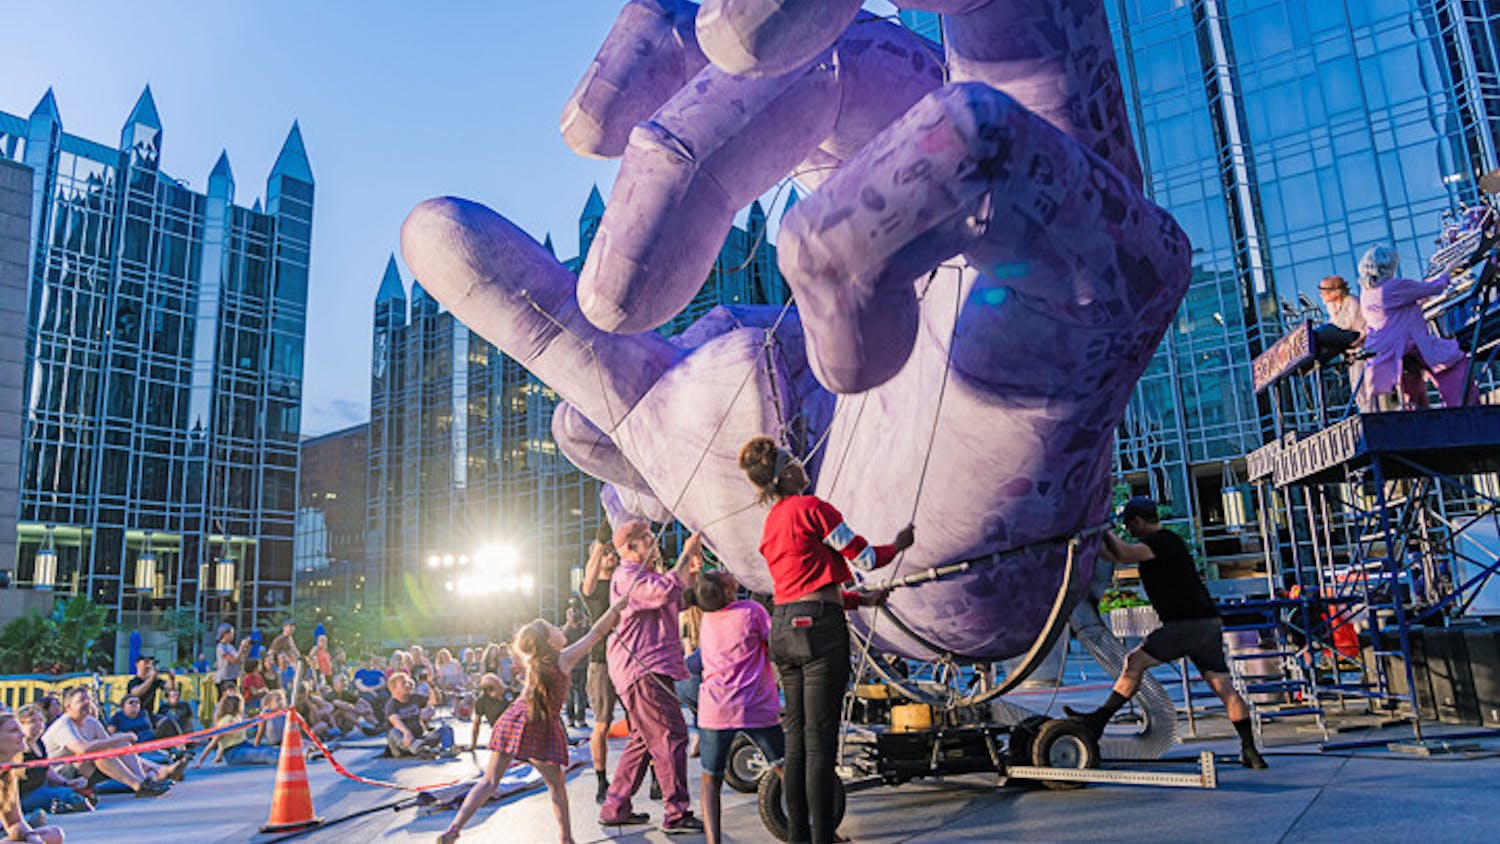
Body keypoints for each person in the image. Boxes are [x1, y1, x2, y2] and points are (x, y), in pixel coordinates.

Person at [739, 436, 911, 844]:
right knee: (821, 744)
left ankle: (799, 836)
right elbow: (865, 557)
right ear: (785, 472)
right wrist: (899, 545)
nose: (802, 464)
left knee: (796, 742)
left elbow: (799, 585)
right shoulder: (813, 508)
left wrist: (861, 599)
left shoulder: (773, 520)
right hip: (820, 631)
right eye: (795, 460)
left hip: (783, 626)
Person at [1065, 496, 1268, 769]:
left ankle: (1096, 723)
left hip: (1185, 625)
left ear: (1138, 520)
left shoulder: (1161, 541)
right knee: (1224, 688)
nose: (1128, 530)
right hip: (1206, 624)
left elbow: (1123, 553)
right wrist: (1091, 534)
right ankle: (1250, 751)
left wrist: (1100, 526)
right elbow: (1112, 554)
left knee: (1134, 663)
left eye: (1129, 525)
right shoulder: (1166, 542)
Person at [437, 598, 626, 844]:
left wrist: (575, 622)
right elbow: (596, 633)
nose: (561, 629)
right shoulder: (563, 659)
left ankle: (453, 830)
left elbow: (576, 633)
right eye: (555, 628)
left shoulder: (535, 661)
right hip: (539, 724)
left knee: (489, 781)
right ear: (549, 642)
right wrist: (615, 609)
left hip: (515, 719)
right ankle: (566, 838)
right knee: (556, 786)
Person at [598, 521, 703, 835]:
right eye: (646, 538)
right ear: (631, 547)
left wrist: (692, 571)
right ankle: (676, 813)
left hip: (647, 667)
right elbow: (664, 593)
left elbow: (680, 599)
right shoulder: (627, 576)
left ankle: (615, 807)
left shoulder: (643, 575)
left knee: (643, 740)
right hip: (643, 668)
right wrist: (685, 557)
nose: (653, 541)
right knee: (672, 734)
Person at [693, 569, 785, 844]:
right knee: (785, 770)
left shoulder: (707, 619)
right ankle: (815, 827)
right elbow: (776, 643)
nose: (728, 571)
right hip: (754, 706)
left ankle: (713, 842)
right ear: (729, 591)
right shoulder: (751, 610)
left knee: (711, 780)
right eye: (724, 575)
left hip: (714, 710)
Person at [1357, 245, 1478, 410]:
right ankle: (1460, 407)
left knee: (1412, 387)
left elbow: (1395, 308)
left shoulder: (1366, 293)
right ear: (1391, 265)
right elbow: (1435, 287)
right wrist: (1449, 270)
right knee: (1455, 362)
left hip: (1383, 352)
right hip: (1408, 344)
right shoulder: (1395, 286)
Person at [42, 688, 175, 796]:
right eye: (81, 701)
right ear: (68, 707)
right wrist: (123, 736)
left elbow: (110, 745)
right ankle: (138, 784)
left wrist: (121, 741)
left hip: (86, 767)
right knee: (102, 751)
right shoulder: (63, 725)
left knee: (120, 746)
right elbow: (82, 749)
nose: (86, 703)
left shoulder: (91, 722)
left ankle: (144, 782)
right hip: (59, 774)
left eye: (87, 699)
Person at [579, 536, 620, 803]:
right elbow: (590, 572)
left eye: (612, 552)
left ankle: (654, 779)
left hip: (628, 659)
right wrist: (599, 542)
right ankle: (602, 780)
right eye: (605, 553)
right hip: (602, 663)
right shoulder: (592, 589)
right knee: (602, 725)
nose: (610, 556)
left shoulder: (623, 583)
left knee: (642, 723)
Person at [0, 711, 66, 843]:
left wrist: (31, 836)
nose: (23, 735)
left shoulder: (9, 773)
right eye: (14, 730)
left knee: (54, 834)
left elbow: (14, 822)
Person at [16, 705, 89, 817]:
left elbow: (47, 769)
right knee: (66, 795)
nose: (39, 724)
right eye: (32, 721)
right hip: (24, 794)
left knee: (73, 792)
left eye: (40, 720)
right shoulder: (17, 747)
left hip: (41, 788)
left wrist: (67, 782)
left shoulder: (39, 743)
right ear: (20, 726)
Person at [1318, 275, 1369, 409]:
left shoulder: (1352, 303)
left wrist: (1353, 343)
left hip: (1361, 349)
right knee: (1357, 390)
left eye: (1325, 291)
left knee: (1365, 389)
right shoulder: (1331, 307)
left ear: (1336, 292)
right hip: (1348, 352)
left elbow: (1363, 330)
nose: (1322, 295)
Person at [194, 692, 279, 766]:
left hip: (243, 745)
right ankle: (286, 761)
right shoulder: (227, 720)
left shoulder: (237, 717)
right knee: (264, 754)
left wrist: (219, 756)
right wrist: (200, 761)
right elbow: (214, 741)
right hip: (233, 752)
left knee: (273, 749)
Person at [385, 672, 453, 758]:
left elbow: (435, 701)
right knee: (394, 732)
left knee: (446, 729)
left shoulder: (415, 698)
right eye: (403, 684)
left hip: (420, 738)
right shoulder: (391, 704)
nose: (407, 685)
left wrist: (431, 687)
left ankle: (446, 750)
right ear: (394, 689)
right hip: (403, 743)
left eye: (408, 682)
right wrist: (407, 733)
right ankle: (422, 750)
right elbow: (396, 721)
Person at [560, 612, 589, 729]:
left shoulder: (583, 629)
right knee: (570, 695)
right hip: (570, 667)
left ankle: (581, 718)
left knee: (582, 694)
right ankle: (571, 718)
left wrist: (585, 621)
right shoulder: (566, 631)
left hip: (583, 666)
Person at [468, 673, 509, 752]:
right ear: (489, 691)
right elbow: (476, 723)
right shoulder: (482, 701)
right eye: (499, 687)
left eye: (501, 686)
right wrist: (473, 745)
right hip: (500, 731)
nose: (502, 689)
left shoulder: (509, 694)